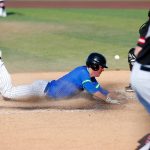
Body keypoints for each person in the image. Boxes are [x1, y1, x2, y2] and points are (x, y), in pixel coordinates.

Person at [0, 51, 120, 104]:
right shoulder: (82, 73)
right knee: (8, 92)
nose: (103, 69)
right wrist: (107, 100)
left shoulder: (90, 78)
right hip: (41, 90)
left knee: (11, 95)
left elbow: (101, 90)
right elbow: (92, 91)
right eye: (101, 67)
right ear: (94, 65)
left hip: (46, 90)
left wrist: (112, 95)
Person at [131, 9, 150, 113]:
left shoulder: (146, 27)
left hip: (141, 76)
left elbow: (138, 51)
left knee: (132, 53)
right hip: (145, 77)